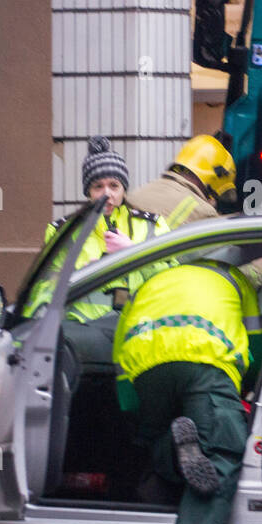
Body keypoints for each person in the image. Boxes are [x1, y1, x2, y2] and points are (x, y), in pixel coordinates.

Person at [112, 257, 262, 524]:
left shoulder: (151, 283)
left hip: (146, 367)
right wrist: (248, 390)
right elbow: (258, 345)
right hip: (207, 364)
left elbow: (119, 358)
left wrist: (135, 419)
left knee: (156, 445)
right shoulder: (235, 280)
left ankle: (171, 447)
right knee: (220, 456)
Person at [34, 137, 171, 363]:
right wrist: (76, 276)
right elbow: (44, 290)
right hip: (82, 337)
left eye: (114, 185)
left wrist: (134, 252)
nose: (107, 193)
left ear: (124, 189)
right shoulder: (62, 232)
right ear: (88, 192)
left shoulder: (152, 225)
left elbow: (171, 279)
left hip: (141, 330)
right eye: (98, 186)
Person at [124, 134, 238, 229]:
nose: (212, 199)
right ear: (213, 181)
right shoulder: (203, 212)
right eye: (213, 195)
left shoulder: (138, 193)